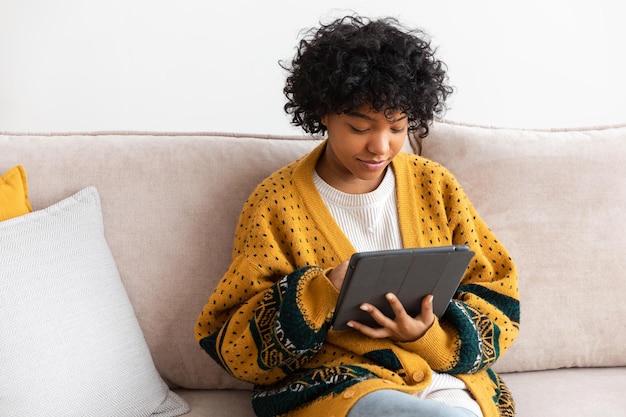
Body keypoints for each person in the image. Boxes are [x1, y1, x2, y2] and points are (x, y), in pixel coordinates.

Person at [195, 15, 520, 417]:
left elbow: (498, 290)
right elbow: (233, 344)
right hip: (340, 384)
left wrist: (428, 335)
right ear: (323, 113)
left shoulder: (434, 184)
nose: (381, 147)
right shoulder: (275, 202)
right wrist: (321, 291)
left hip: (442, 379)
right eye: (359, 127)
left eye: (398, 128)